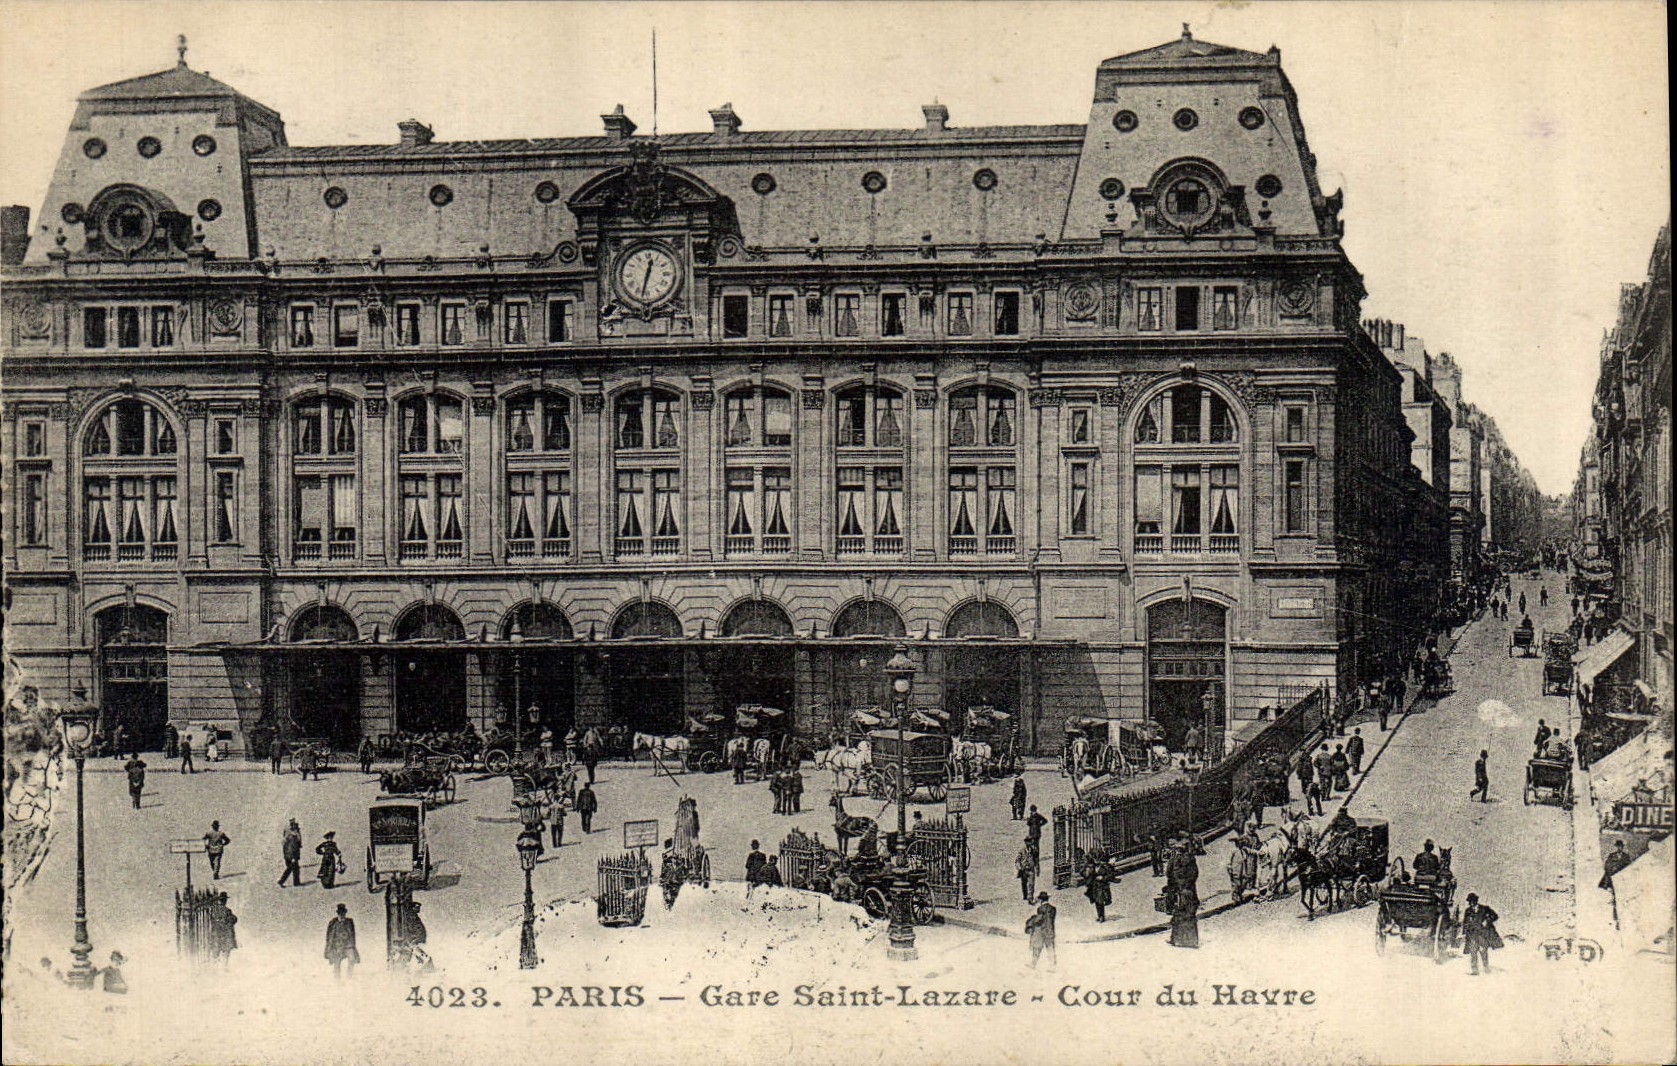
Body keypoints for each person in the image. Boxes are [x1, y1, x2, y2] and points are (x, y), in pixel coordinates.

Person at [1166, 835, 1200, 949]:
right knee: (1188, 915)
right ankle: (1189, 940)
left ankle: (1177, 939)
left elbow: (1169, 874)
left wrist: (1176, 886)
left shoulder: (1174, 859)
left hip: (1181, 891)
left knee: (1180, 914)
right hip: (1187, 890)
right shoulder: (1190, 858)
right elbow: (1194, 874)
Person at [1461, 893, 1502, 975]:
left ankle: (1486, 967)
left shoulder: (1484, 909)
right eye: (1470, 902)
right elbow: (1465, 922)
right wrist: (1464, 932)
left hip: (1483, 933)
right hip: (1472, 934)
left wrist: (1487, 920)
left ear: (1476, 901)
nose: (1471, 903)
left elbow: (1495, 916)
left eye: (1473, 901)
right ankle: (1474, 970)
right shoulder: (1468, 911)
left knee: (1483, 950)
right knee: (1473, 952)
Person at [325, 903, 359, 979]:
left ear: (345, 913)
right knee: (336, 964)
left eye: (343, 913)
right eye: (340, 913)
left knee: (352, 958)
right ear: (338, 913)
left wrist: (352, 946)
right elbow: (329, 937)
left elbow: (352, 935)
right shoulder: (333, 923)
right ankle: (337, 983)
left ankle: (349, 977)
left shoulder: (349, 922)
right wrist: (329, 949)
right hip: (337, 947)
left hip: (348, 946)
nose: (342, 914)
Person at [1026, 892, 1057, 970]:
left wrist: (1032, 921)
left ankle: (1033, 964)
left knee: (1037, 948)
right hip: (1050, 930)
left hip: (1042, 931)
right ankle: (1052, 967)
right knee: (1050, 949)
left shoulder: (1040, 909)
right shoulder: (1053, 909)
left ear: (1041, 900)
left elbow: (1039, 919)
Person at [1082, 853, 1115, 923]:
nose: (1096, 861)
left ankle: (1102, 916)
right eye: (1095, 859)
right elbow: (1085, 874)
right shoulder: (1092, 867)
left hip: (1102, 886)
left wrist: (1102, 877)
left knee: (1100, 901)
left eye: (1098, 859)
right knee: (1096, 901)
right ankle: (1099, 915)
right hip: (1094, 886)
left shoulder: (1105, 867)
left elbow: (1110, 875)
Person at [208, 893, 238, 966]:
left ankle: (216, 964)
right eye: (225, 900)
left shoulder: (213, 909)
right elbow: (233, 919)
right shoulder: (227, 910)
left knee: (216, 949)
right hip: (224, 933)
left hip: (216, 932)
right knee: (225, 950)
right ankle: (224, 965)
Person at [659, 839, 688, 910]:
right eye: (673, 859)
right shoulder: (669, 867)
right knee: (669, 896)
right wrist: (663, 880)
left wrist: (683, 879)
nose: (674, 860)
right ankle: (669, 905)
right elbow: (663, 874)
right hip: (670, 884)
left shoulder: (680, 866)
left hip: (677, 884)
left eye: (675, 859)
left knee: (676, 897)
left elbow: (684, 874)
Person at [279, 819, 304, 886]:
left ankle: (296, 882)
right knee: (290, 869)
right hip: (291, 856)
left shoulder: (289, 836)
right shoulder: (293, 837)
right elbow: (292, 848)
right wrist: (293, 858)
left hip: (289, 856)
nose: (298, 831)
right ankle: (281, 881)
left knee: (296, 869)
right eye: (297, 829)